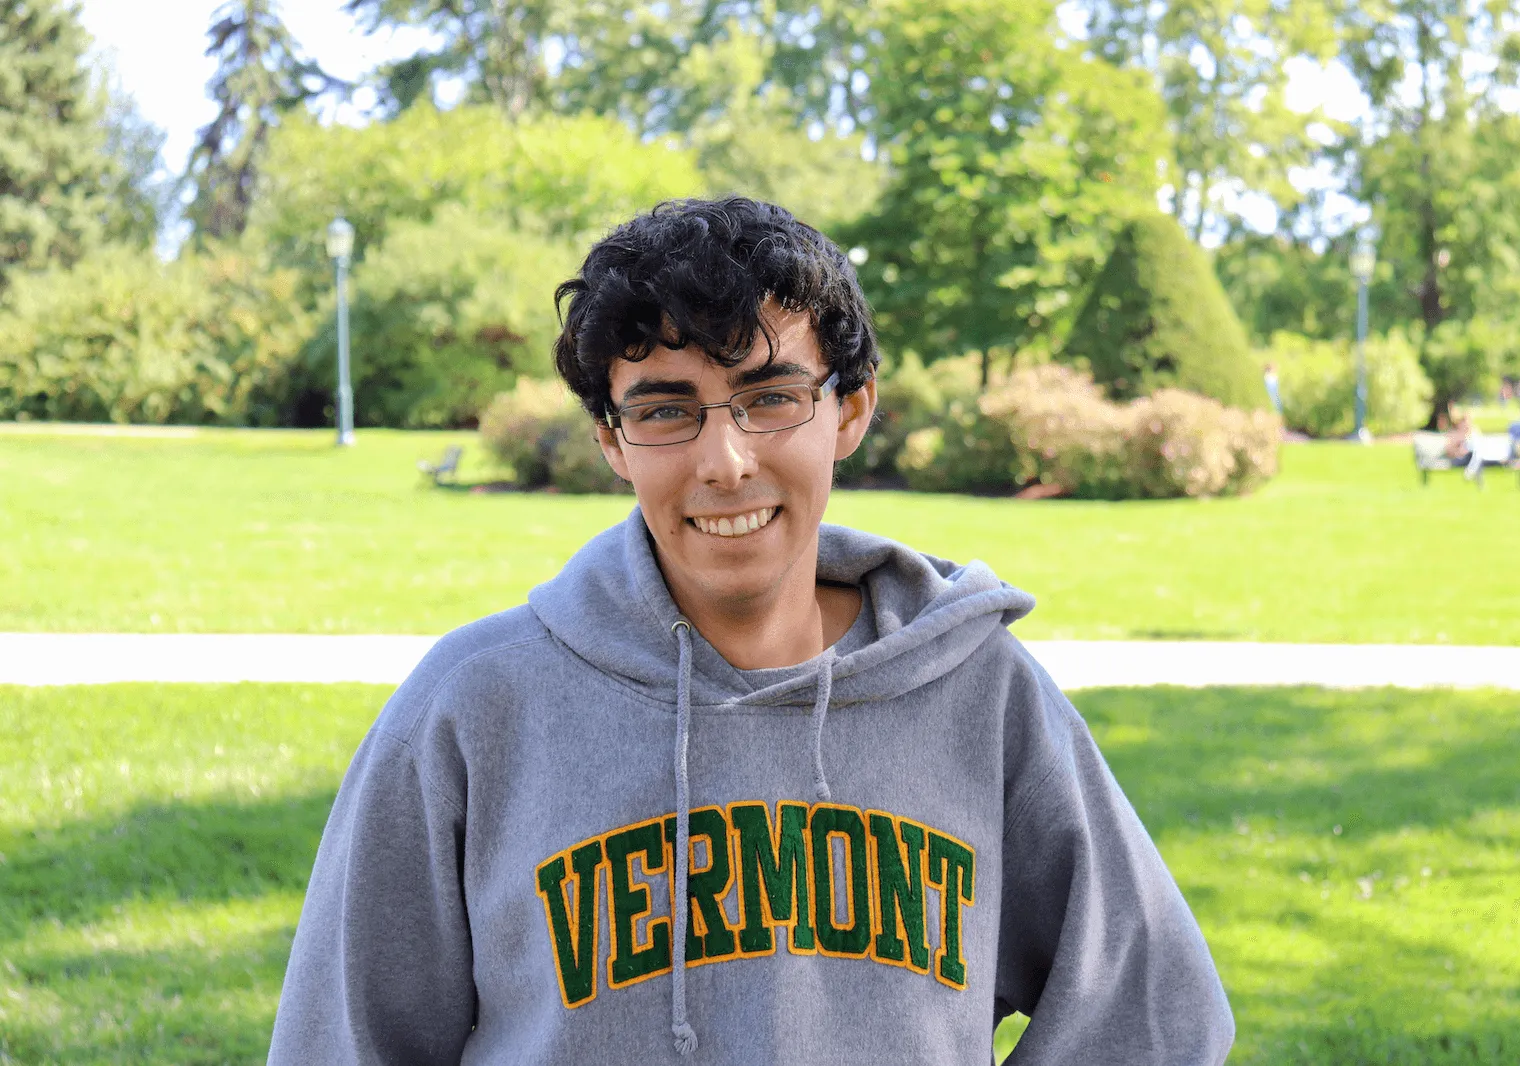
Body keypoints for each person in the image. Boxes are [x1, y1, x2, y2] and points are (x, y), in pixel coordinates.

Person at [267, 197, 1233, 1065]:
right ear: (611, 440)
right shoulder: (473, 706)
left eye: (770, 398)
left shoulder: (980, 692)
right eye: (666, 410)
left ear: (848, 410)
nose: (725, 462)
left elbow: (1153, 1009)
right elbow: (340, 1042)